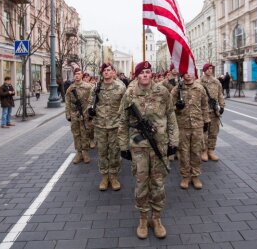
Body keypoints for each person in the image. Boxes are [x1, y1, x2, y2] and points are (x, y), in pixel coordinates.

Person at [118, 61, 179, 239]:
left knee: (158, 183)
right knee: (141, 183)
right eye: (142, 72)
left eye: (148, 72)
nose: (145, 75)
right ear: (137, 75)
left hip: (159, 144)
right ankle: (143, 219)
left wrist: (173, 141)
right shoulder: (129, 94)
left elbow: (171, 116)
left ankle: (157, 218)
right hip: (139, 147)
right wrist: (123, 146)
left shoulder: (163, 91)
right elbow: (122, 121)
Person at [88, 63, 126, 191]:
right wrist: (90, 111)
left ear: (113, 72)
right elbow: (90, 103)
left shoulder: (120, 87)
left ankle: (114, 176)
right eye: (104, 70)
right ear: (102, 73)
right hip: (100, 125)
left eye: (109, 70)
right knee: (102, 152)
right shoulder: (96, 88)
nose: (106, 72)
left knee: (115, 152)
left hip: (115, 125)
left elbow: (126, 106)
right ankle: (105, 177)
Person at [171, 71, 210, 190]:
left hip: (197, 125)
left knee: (197, 152)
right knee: (184, 153)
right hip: (182, 126)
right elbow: (168, 107)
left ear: (194, 73)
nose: (188, 74)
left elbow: (204, 106)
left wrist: (206, 121)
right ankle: (185, 176)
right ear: (182, 74)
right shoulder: (177, 89)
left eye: (190, 72)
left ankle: (195, 176)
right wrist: (177, 107)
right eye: (185, 72)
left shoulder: (200, 88)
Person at [65, 68, 93, 164]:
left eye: (79, 74)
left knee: (85, 133)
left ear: (82, 75)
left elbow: (92, 100)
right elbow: (67, 102)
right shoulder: (70, 88)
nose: (77, 75)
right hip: (74, 114)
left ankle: (85, 153)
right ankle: (79, 153)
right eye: (75, 74)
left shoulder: (88, 87)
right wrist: (68, 114)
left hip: (84, 114)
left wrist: (89, 112)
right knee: (76, 134)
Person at [199, 63, 225, 162]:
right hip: (203, 112)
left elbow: (220, 95)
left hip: (214, 112)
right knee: (204, 133)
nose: (210, 70)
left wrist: (222, 106)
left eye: (211, 68)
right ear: (204, 70)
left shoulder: (216, 82)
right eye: (208, 69)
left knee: (213, 132)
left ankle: (211, 150)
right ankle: (204, 151)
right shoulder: (199, 82)